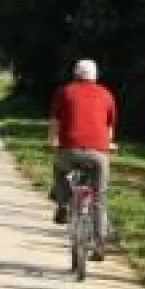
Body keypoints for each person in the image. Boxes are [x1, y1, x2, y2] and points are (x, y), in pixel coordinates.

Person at [48, 59, 116, 260]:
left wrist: (52, 141)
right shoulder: (106, 94)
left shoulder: (64, 92)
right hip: (99, 154)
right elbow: (109, 128)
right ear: (95, 76)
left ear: (75, 75)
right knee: (99, 198)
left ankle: (63, 204)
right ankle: (100, 245)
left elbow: (55, 122)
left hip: (69, 150)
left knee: (59, 169)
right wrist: (107, 144)